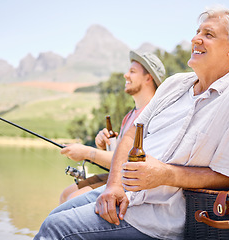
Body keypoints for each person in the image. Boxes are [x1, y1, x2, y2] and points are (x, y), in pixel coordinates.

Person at [34, 7, 229, 240]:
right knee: (54, 217)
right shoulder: (174, 84)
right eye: (197, 32)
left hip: (157, 219)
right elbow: (130, 135)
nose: (195, 39)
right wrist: (113, 185)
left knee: (56, 228)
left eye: (208, 34)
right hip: (124, 194)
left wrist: (166, 175)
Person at [59, 50, 166, 204]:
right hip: (117, 177)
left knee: (72, 198)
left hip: (132, 187)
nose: (126, 75)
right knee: (66, 194)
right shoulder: (129, 117)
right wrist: (103, 146)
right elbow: (117, 156)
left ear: (148, 77)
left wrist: (87, 152)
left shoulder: (154, 115)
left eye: (132, 71)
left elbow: (129, 162)